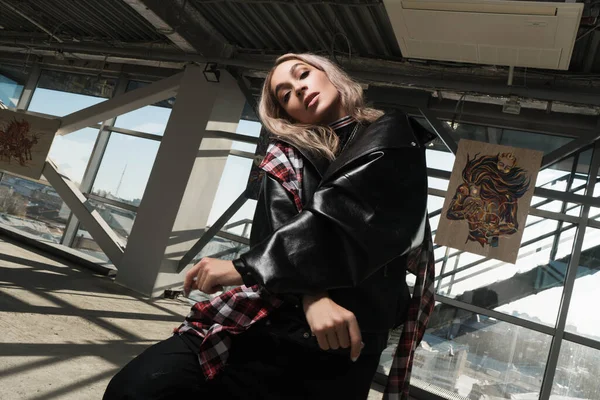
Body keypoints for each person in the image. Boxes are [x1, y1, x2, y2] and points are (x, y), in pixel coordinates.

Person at [103, 53, 435, 400]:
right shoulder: (285, 154)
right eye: (286, 94)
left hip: (347, 337)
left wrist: (240, 267)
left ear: (330, 74)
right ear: (285, 113)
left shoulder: (393, 135)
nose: (299, 89)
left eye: (303, 74)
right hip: (270, 315)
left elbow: (354, 221)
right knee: (134, 388)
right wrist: (312, 296)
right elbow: (274, 232)